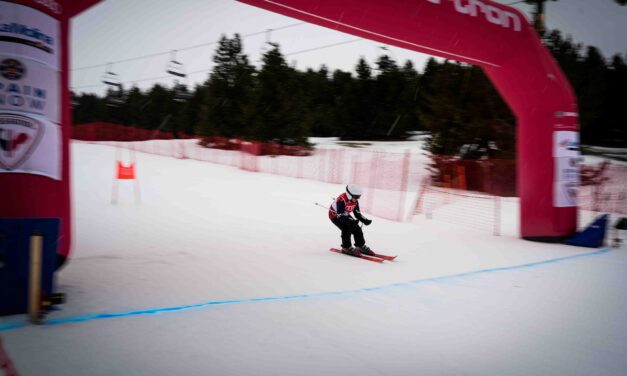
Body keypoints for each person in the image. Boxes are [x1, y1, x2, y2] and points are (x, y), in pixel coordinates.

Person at [328, 184, 374, 257]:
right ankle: (346, 247)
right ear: (349, 195)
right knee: (346, 228)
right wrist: (350, 221)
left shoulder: (355, 201)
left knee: (357, 229)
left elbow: (357, 213)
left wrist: (364, 220)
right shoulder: (341, 200)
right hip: (335, 216)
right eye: (356, 197)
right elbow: (340, 215)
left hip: (344, 215)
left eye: (359, 197)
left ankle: (360, 246)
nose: (357, 199)